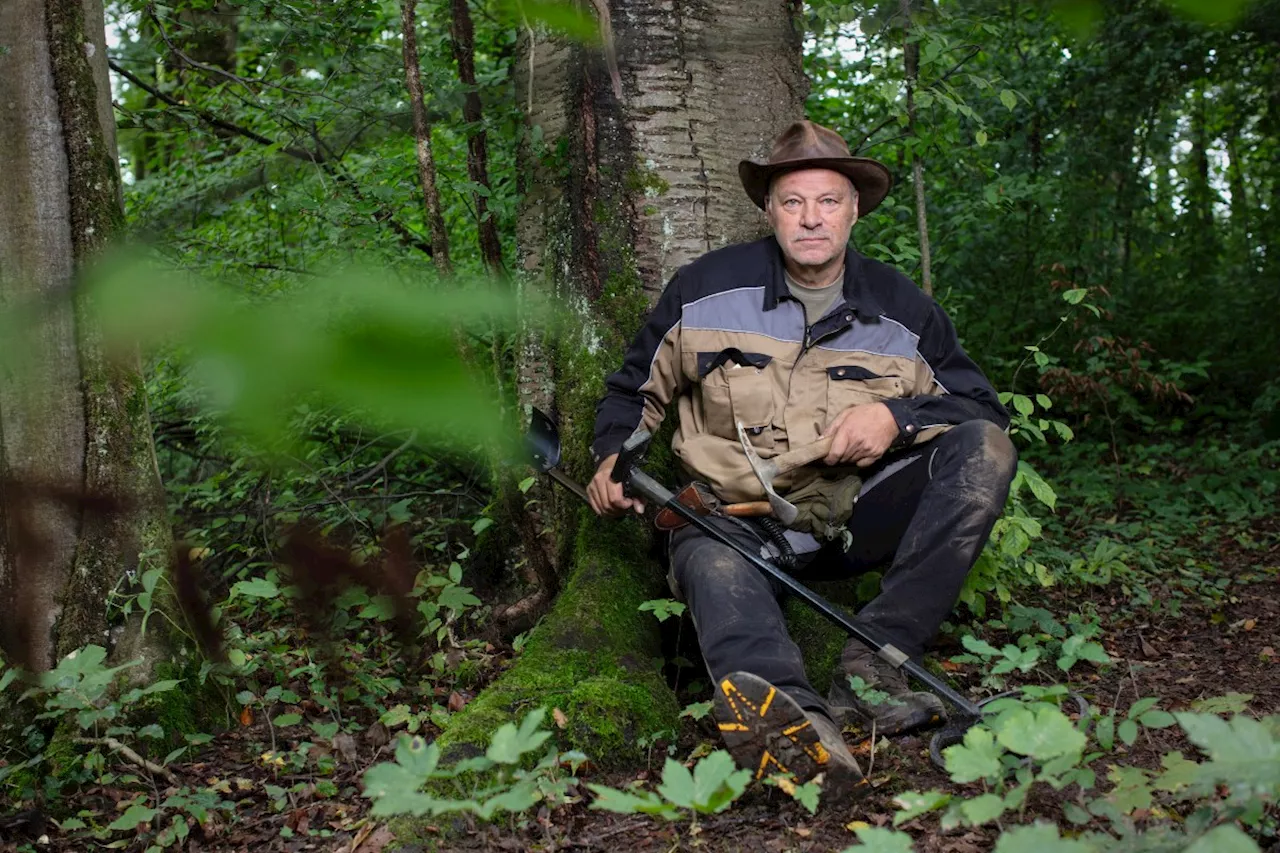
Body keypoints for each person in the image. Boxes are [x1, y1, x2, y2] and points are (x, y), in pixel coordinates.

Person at [586, 120, 1016, 799]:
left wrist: (895, 417)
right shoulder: (705, 289)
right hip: (736, 522)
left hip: (854, 519)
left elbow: (981, 410)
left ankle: (873, 663)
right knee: (709, 560)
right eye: (793, 201)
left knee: (985, 450)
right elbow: (633, 387)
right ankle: (801, 731)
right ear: (769, 210)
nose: (811, 218)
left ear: (854, 210)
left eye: (828, 201)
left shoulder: (903, 310)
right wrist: (611, 454)